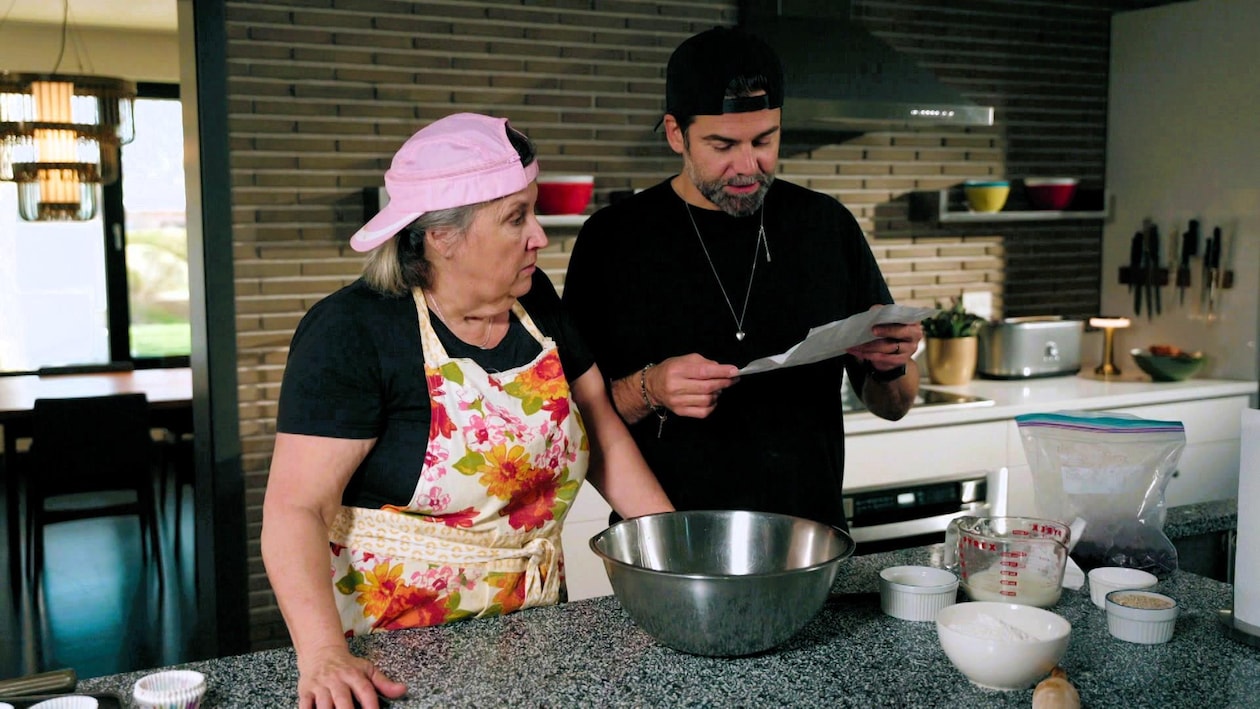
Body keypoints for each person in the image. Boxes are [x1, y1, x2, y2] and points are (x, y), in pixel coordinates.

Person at [261, 113, 673, 709]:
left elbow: (601, 429)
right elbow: (296, 506)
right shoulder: (352, 332)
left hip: (533, 632)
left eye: (533, 211)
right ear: (441, 237)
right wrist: (323, 654)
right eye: (516, 218)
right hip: (395, 652)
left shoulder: (537, 303)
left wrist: (675, 555)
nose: (540, 236)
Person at [562, 27, 921, 530]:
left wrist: (890, 366)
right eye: (723, 144)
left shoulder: (826, 226)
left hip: (808, 545)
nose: (748, 166)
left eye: (764, 140)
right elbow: (569, 423)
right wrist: (651, 388)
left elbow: (894, 405)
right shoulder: (612, 240)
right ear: (675, 134)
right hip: (665, 548)